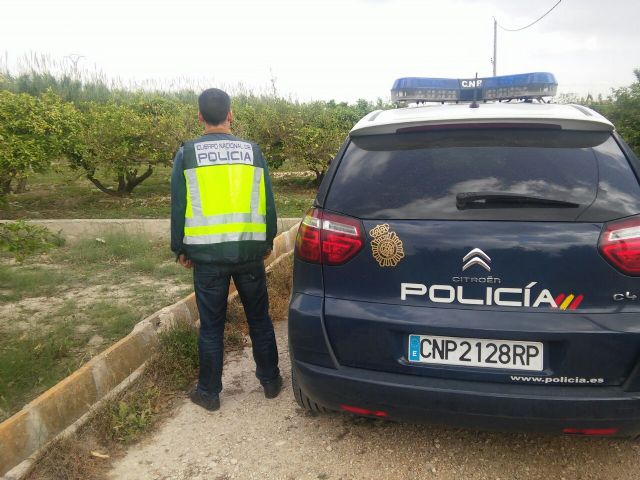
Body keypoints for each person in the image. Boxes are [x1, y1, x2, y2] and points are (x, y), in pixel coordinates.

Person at [171, 88, 281, 411]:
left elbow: (179, 205)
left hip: (207, 257)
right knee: (259, 319)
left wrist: (180, 247)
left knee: (211, 327)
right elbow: (267, 201)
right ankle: (271, 382)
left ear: (200, 117)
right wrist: (268, 240)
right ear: (230, 115)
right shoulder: (252, 152)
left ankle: (208, 393)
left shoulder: (187, 153)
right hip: (249, 253)